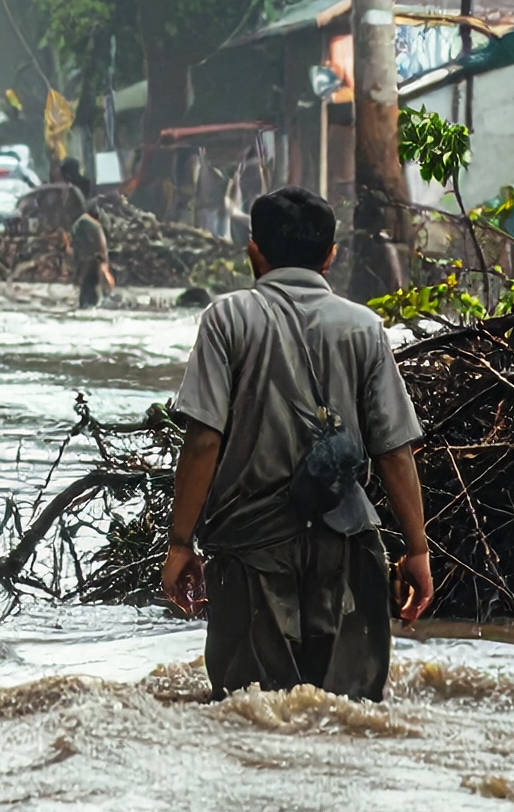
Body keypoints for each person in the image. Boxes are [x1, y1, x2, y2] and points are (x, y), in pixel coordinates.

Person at [159, 187, 432, 702]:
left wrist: (180, 544)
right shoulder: (365, 327)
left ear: (253, 250)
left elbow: (202, 441)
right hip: (349, 549)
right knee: (346, 716)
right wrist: (417, 549)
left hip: (251, 549)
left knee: (254, 714)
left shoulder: (227, 319)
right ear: (331, 255)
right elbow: (395, 450)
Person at [70, 202, 112, 309]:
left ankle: (86, 306)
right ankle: (90, 306)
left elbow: (73, 245)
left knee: (86, 287)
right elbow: (102, 246)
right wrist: (105, 264)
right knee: (91, 286)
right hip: (93, 261)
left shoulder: (80, 223)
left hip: (85, 261)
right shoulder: (93, 224)